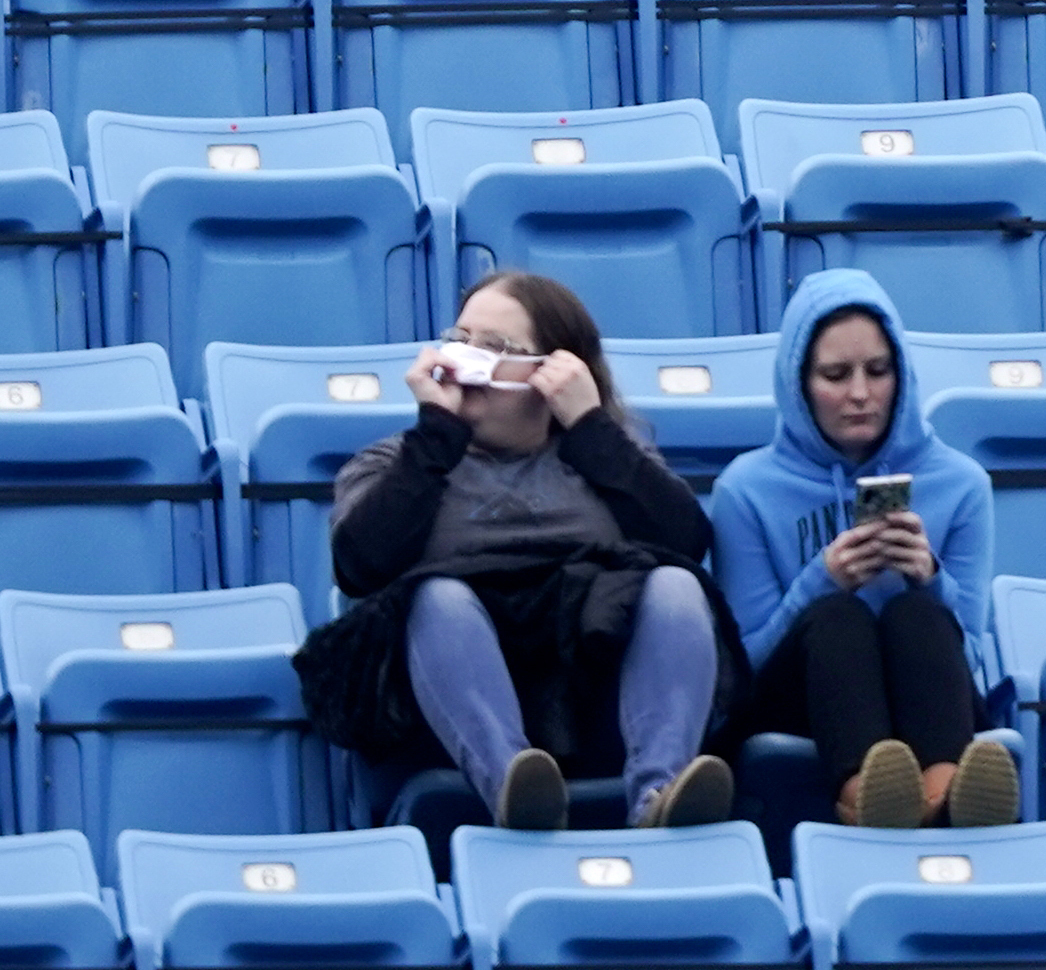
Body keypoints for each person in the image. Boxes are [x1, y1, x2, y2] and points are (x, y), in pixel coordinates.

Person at [297, 271, 742, 831]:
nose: (465, 360)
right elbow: (359, 568)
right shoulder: (397, 464)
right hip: (453, 721)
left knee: (676, 585)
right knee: (436, 598)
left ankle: (658, 796)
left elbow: (686, 542)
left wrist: (588, 424)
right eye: (459, 340)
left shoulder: (606, 455)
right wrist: (436, 435)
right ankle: (515, 788)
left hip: (595, 699)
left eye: (494, 348)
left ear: (555, 371)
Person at [713, 269, 1016, 827]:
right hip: (798, 703)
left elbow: (967, 650)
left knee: (918, 612)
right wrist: (822, 579)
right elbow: (746, 670)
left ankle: (945, 795)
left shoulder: (961, 483)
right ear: (798, 382)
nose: (859, 394)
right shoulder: (745, 489)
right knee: (837, 617)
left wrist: (930, 576)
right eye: (835, 374)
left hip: (924, 697)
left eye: (878, 372)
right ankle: (868, 799)